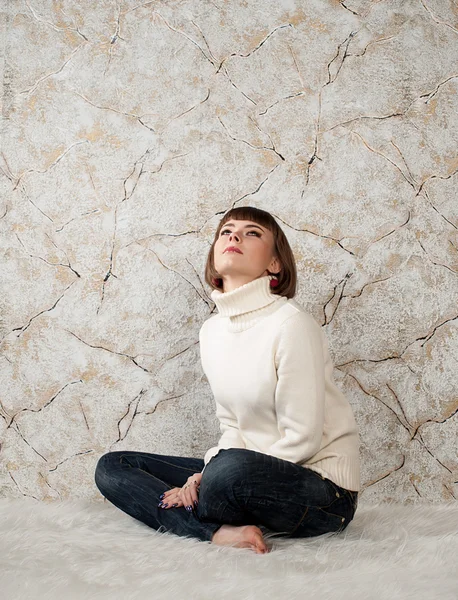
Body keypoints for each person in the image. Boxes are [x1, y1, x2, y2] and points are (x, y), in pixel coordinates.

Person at [94, 206, 361, 555]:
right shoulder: (213, 332)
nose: (234, 236)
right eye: (226, 231)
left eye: (252, 233)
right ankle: (217, 532)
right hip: (242, 472)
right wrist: (207, 472)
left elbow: (303, 439)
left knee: (226, 471)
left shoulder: (291, 325)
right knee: (113, 466)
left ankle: (199, 511)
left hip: (322, 492)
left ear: (275, 264)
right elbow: (232, 425)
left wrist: (204, 478)